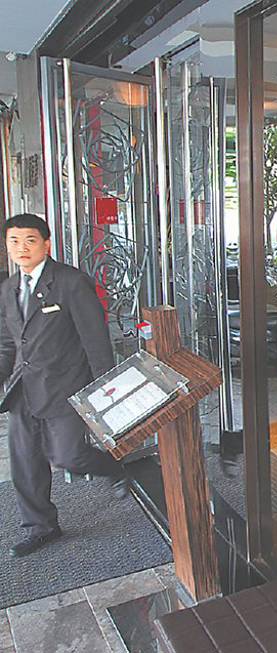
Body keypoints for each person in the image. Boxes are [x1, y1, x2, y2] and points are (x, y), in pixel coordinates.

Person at [0, 213, 126, 558]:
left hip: (65, 386)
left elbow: (95, 339)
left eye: (29, 240)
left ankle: (114, 467)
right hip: (24, 390)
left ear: (46, 244)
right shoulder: (8, 289)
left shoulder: (71, 282)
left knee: (69, 455)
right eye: (14, 241)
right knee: (25, 462)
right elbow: (7, 344)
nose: (22, 248)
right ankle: (40, 527)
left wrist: (104, 387)